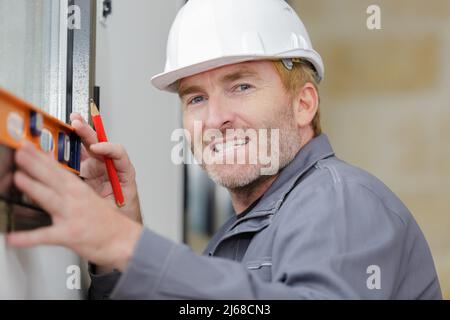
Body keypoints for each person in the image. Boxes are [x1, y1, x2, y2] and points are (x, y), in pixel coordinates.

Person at [7, 0, 441, 299]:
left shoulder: (340, 202)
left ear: (303, 103)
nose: (214, 119)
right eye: (195, 97)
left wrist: (128, 244)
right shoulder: (239, 236)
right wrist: (115, 245)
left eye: (241, 86)